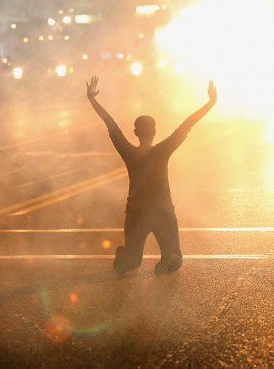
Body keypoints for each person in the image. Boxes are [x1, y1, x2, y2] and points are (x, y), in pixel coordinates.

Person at [86, 76, 217, 276]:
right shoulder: (162, 151)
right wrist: (210, 102)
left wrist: (92, 99)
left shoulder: (129, 153)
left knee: (131, 262)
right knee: (174, 256)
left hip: (136, 214)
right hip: (163, 212)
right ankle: (169, 257)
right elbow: (187, 124)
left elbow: (109, 122)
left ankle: (127, 256)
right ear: (155, 131)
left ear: (135, 132)